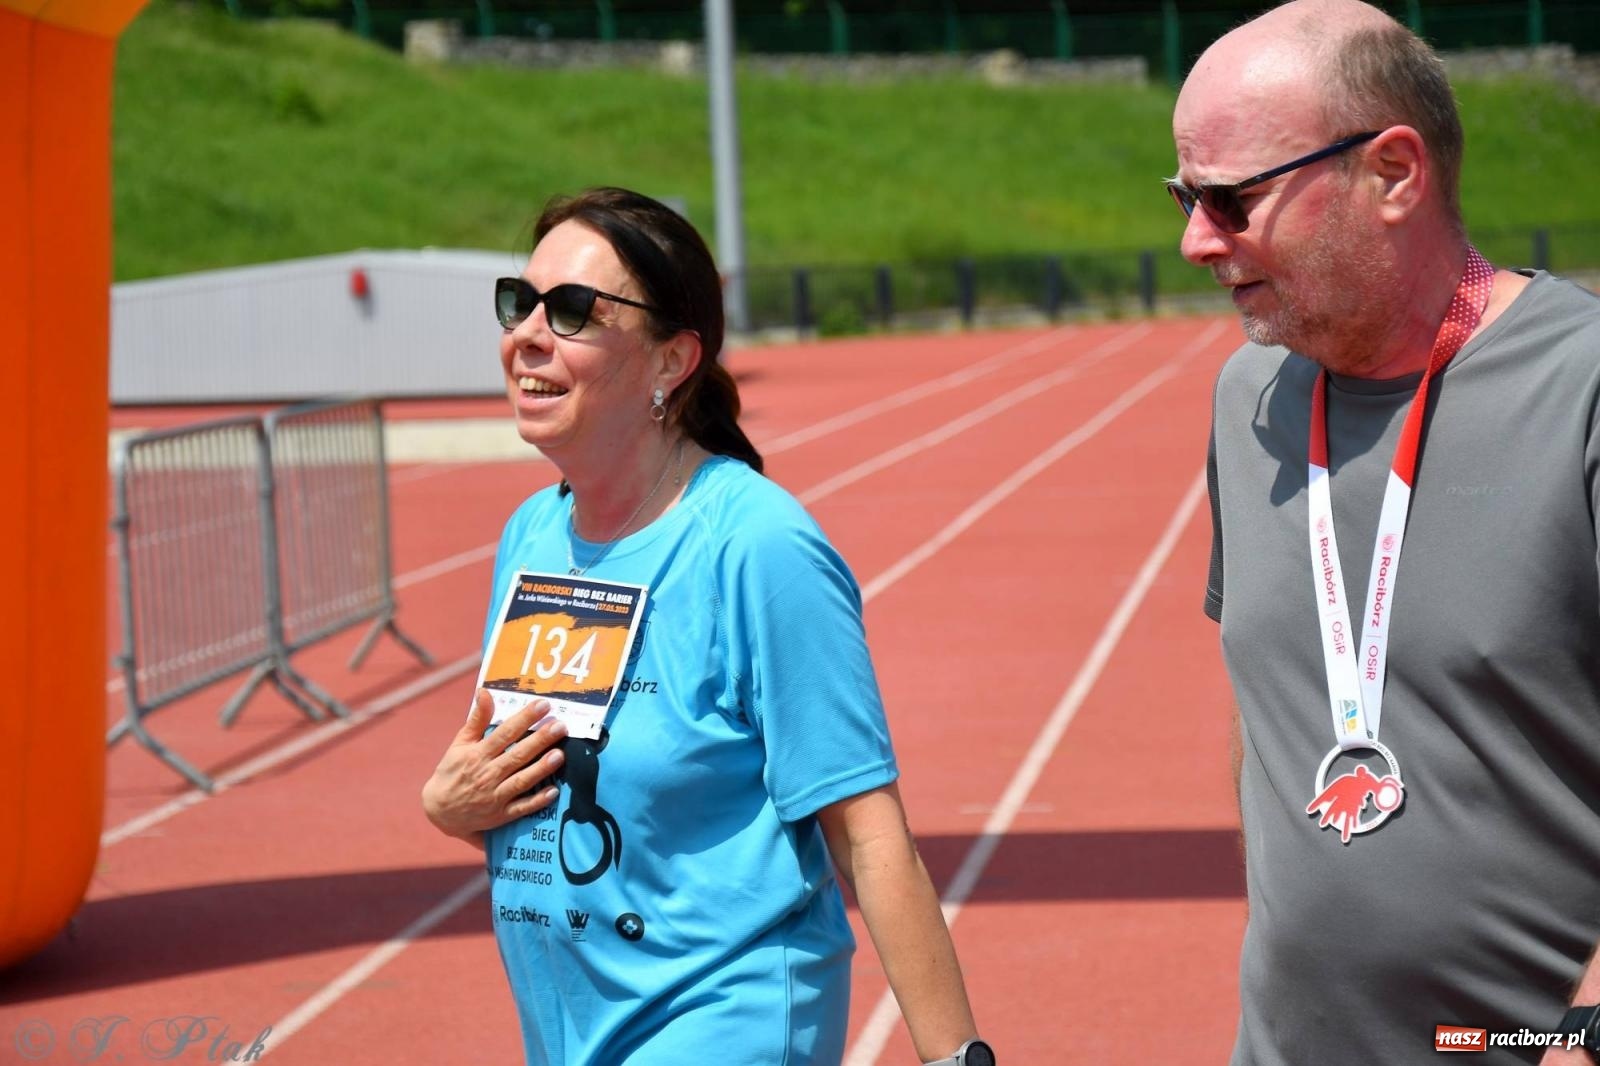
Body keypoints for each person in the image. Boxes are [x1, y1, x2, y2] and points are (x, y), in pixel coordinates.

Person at [420, 187, 994, 1066]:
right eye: (519, 302)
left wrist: (956, 1059)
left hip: (726, 1015)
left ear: (671, 360)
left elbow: (867, 831)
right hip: (573, 1023)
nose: (527, 334)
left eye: (572, 310)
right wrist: (454, 806)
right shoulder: (533, 535)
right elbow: (560, 785)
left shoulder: (757, 546)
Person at [1171, 2, 1600, 1063]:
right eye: (1184, 198)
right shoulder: (1248, 401)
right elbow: (1275, 694)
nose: (1193, 240)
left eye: (1232, 199)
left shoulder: (1582, 389)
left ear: (1394, 173)